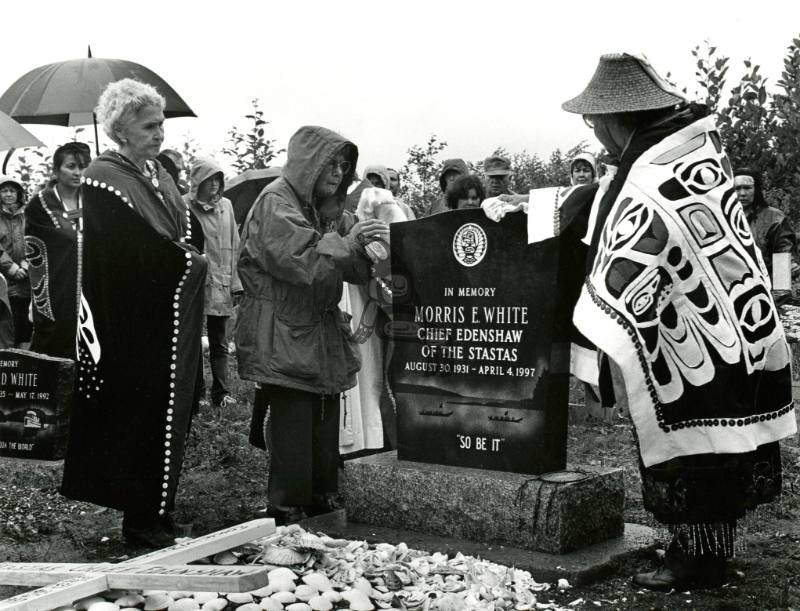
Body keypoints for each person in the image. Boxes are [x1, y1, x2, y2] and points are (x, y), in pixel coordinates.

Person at [483, 53, 796, 591]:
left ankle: (698, 561)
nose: (596, 133)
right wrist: (524, 205)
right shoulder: (669, 155)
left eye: (597, 123)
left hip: (696, 333)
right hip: (716, 330)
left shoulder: (659, 167)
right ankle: (701, 550)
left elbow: (636, 224)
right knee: (707, 445)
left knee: (699, 447)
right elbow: (598, 200)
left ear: (618, 118)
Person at [60, 79, 207, 548]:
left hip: (167, 316)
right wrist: (185, 260)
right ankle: (139, 521)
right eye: (149, 125)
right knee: (140, 415)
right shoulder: (103, 179)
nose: (159, 133)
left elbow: (188, 229)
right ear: (121, 130)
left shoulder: (159, 174)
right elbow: (127, 250)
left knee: (169, 414)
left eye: (161, 124)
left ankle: (159, 511)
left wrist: (186, 252)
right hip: (130, 321)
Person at [237, 125, 386, 524]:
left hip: (312, 328)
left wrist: (371, 244)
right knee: (293, 418)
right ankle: (286, 508)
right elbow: (303, 262)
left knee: (322, 417)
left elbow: (349, 268)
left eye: (343, 165)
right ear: (308, 164)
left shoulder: (323, 209)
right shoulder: (276, 202)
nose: (338, 173)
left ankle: (321, 498)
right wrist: (350, 241)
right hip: (282, 328)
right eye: (330, 164)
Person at [184, 157, 242, 409]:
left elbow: (236, 245)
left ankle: (222, 393)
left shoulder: (227, 206)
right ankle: (198, 393)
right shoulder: (184, 204)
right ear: (198, 182)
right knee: (193, 339)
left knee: (219, 340)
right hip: (196, 283)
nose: (215, 186)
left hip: (222, 281)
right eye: (210, 180)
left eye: (218, 180)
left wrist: (237, 284)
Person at [25, 142, 92, 358]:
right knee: (56, 345)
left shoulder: (93, 200)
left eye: (83, 166)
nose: (78, 172)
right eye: (71, 166)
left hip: (90, 289)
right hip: (57, 289)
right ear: (56, 171)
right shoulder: (40, 204)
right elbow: (54, 243)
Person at [733, 167, 797, 281]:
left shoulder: (774, 219)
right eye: (737, 188)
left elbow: (783, 259)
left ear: (756, 190)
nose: (742, 193)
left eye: (747, 188)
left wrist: (779, 294)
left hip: (767, 286)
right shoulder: (722, 218)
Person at [0, 175, 31, 347]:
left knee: (24, 322)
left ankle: (23, 361)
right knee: (6, 322)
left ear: (19, 194)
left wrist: (27, 263)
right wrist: (10, 267)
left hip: (26, 280)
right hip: (4, 280)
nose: (8, 194)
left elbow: (32, 239)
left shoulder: (26, 216)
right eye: (4, 190)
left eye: (12, 190)